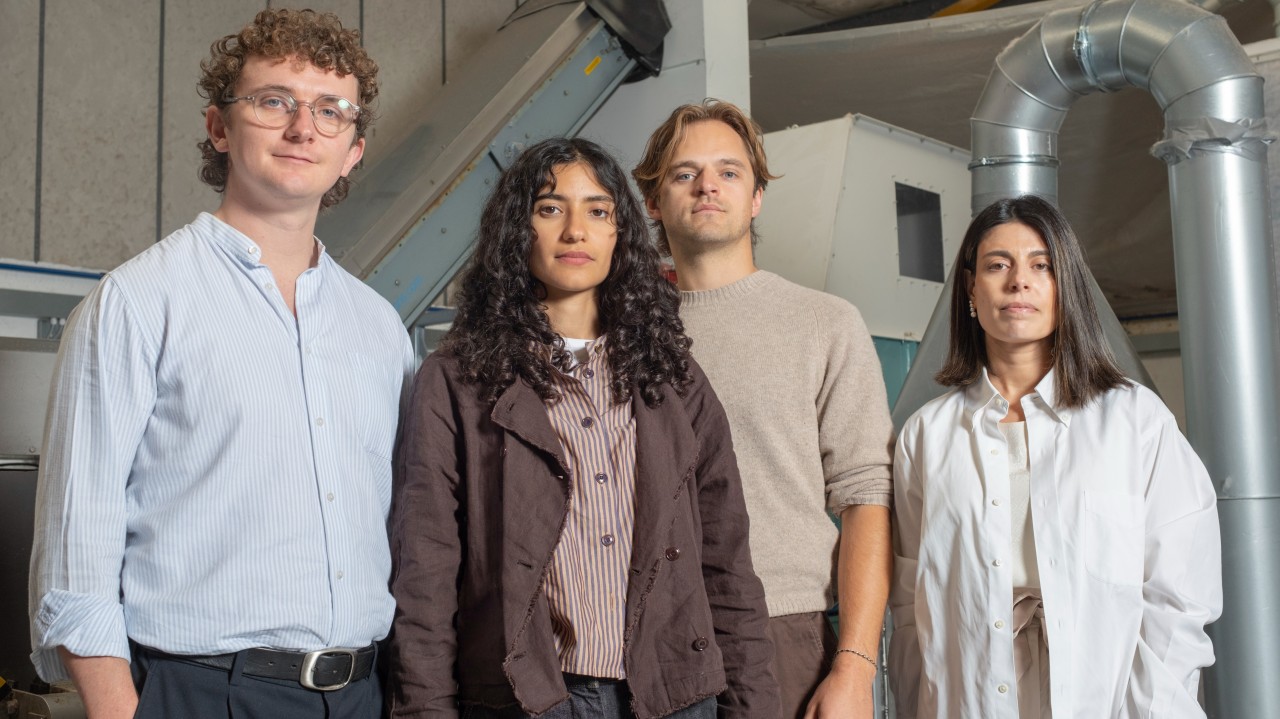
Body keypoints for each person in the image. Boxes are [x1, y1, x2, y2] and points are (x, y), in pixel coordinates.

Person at [28, 9, 413, 719]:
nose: (303, 128)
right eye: (274, 102)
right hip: (202, 693)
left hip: (364, 693)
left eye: (330, 111)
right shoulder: (137, 303)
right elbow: (75, 561)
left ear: (352, 150)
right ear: (219, 127)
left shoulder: (380, 329)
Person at [387, 137, 780, 718]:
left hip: (673, 694)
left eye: (598, 211)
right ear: (516, 230)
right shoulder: (458, 379)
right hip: (530, 698)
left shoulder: (673, 376)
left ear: (620, 233)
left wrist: (752, 708)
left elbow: (727, 563)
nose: (576, 231)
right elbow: (426, 571)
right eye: (550, 208)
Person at [887, 195, 1222, 718]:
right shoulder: (926, 435)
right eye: (998, 265)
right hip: (969, 697)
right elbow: (911, 607)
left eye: (1041, 266)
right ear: (971, 289)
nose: (1019, 282)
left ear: (1066, 286)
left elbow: (1178, 599)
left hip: (1107, 700)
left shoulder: (1136, 421)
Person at [633, 100, 895, 719]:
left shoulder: (824, 323)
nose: (707, 186)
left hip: (785, 632)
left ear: (755, 198)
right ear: (652, 201)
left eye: (728, 172)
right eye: (684, 173)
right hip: (645, 633)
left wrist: (855, 667)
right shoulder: (622, 333)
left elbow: (866, 497)